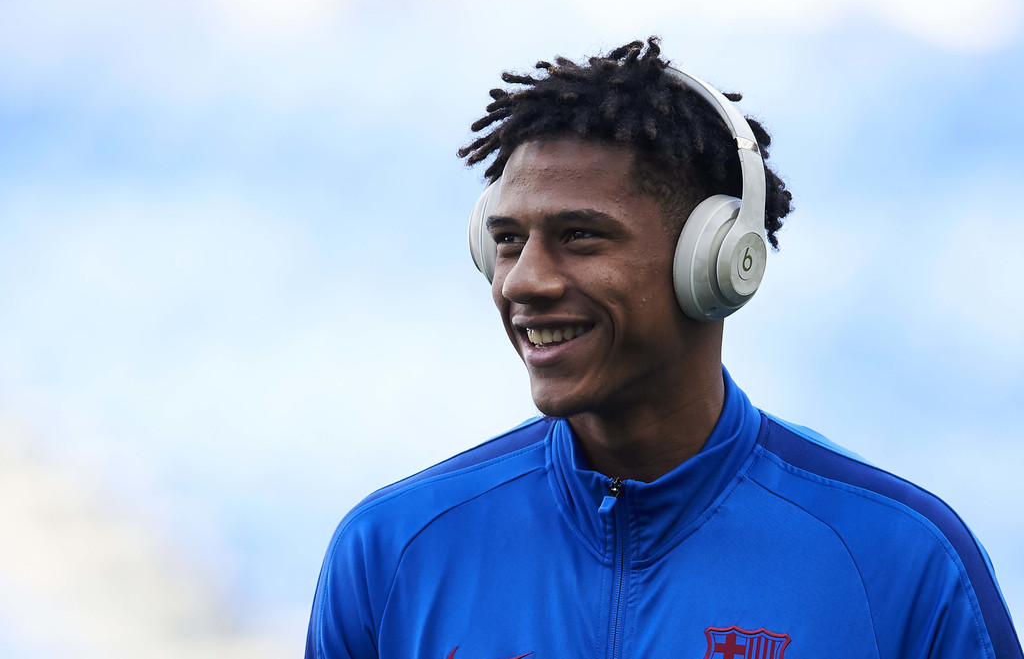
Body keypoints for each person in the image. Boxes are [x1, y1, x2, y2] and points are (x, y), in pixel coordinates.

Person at [305, 37, 1021, 659]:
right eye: (507, 241)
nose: (524, 280)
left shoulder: (902, 558)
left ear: (714, 261)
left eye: (579, 235)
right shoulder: (390, 550)